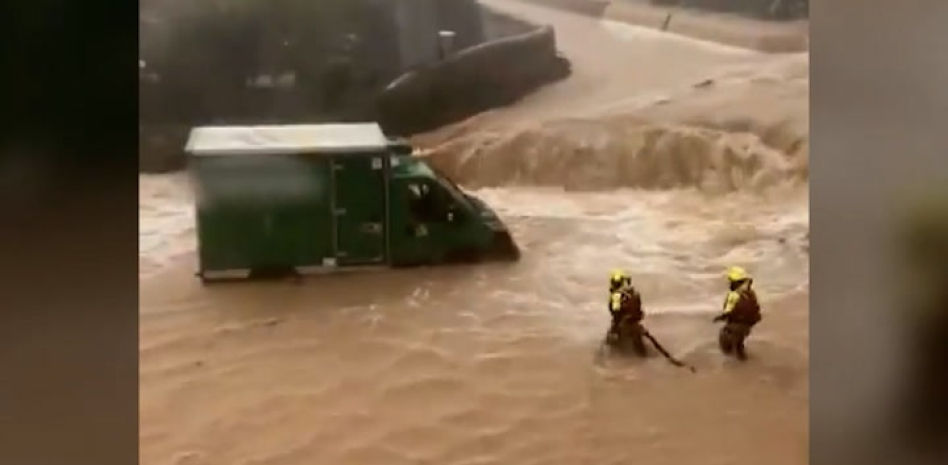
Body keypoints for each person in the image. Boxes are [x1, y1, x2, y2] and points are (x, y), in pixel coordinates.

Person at [712, 266, 762, 360]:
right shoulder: (749, 292)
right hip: (747, 325)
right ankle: (742, 359)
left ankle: (732, 363)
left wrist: (719, 318)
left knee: (724, 339)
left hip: (736, 325)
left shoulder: (734, 295)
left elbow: (728, 312)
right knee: (739, 343)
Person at [607, 270, 646, 355]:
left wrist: (615, 327)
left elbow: (616, 312)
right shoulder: (633, 292)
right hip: (635, 322)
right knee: (641, 352)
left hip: (624, 323)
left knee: (611, 345)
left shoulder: (616, 295)